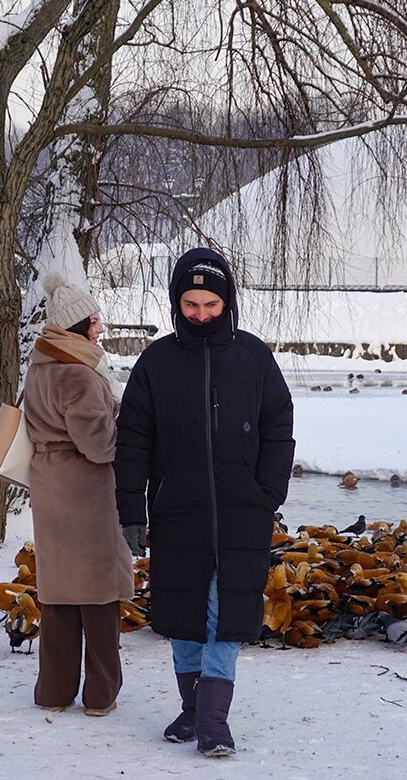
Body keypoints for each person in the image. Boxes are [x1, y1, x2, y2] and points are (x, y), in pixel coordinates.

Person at [115, 247, 295, 758]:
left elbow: (278, 428)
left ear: (227, 302)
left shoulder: (254, 358)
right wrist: (133, 513)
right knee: (184, 612)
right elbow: (133, 443)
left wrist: (267, 494)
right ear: (177, 304)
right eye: (191, 305)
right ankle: (192, 709)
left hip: (243, 514)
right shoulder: (157, 362)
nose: (200, 315)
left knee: (225, 613)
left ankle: (214, 719)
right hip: (178, 512)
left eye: (210, 305)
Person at [21, 271, 134, 718]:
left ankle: (53, 691)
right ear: (77, 328)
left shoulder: (40, 367)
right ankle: (100, 695)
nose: (100, 328)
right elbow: (100, 445)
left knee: (59, 594)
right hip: (85, 491)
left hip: (50, 486)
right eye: (93, 320)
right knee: (98, 593)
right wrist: (125, 421)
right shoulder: (78, 376)